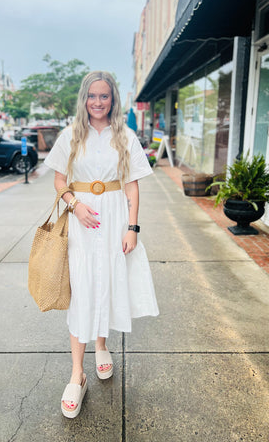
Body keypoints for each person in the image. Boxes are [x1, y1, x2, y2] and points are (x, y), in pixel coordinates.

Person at [44, 71, 159, 418]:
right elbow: (60, 179)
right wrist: (75, 205)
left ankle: (102, 344)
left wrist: (132, 227)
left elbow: (133, 186)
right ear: (84, 98)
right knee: (82, 288)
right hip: (82, 222)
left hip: (113, 221)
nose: (97, 102)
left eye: (104, 96)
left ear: (112, 99)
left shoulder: (125, 135)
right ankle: (77, 375)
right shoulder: (70, 136)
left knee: (107, 280)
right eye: (92, 96)